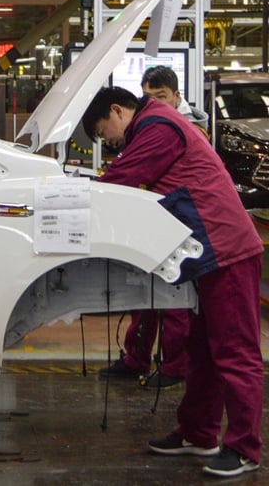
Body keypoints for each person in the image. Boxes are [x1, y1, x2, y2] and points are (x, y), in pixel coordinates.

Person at [83, 86, 263, 478]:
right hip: (206, 254)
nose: (107, 141)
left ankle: (245, 448)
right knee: (201, 350)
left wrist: (75, 198)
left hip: (226, 249)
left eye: (102, 131)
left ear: (117, 110)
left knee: (235, 352)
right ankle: (198, 433)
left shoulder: (158, 126)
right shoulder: (151, 126)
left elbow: (122, 180)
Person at [99, 66, 205, 389]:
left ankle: (174, 366)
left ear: (177, 96)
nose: (156, 102)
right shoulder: (150, 125)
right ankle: (137, 358)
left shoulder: (174, 128)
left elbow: (128, 175)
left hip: (181, 229)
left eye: (161, 96)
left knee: (173, 302)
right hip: (154, 222)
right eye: (149, 96)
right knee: (142, 297)